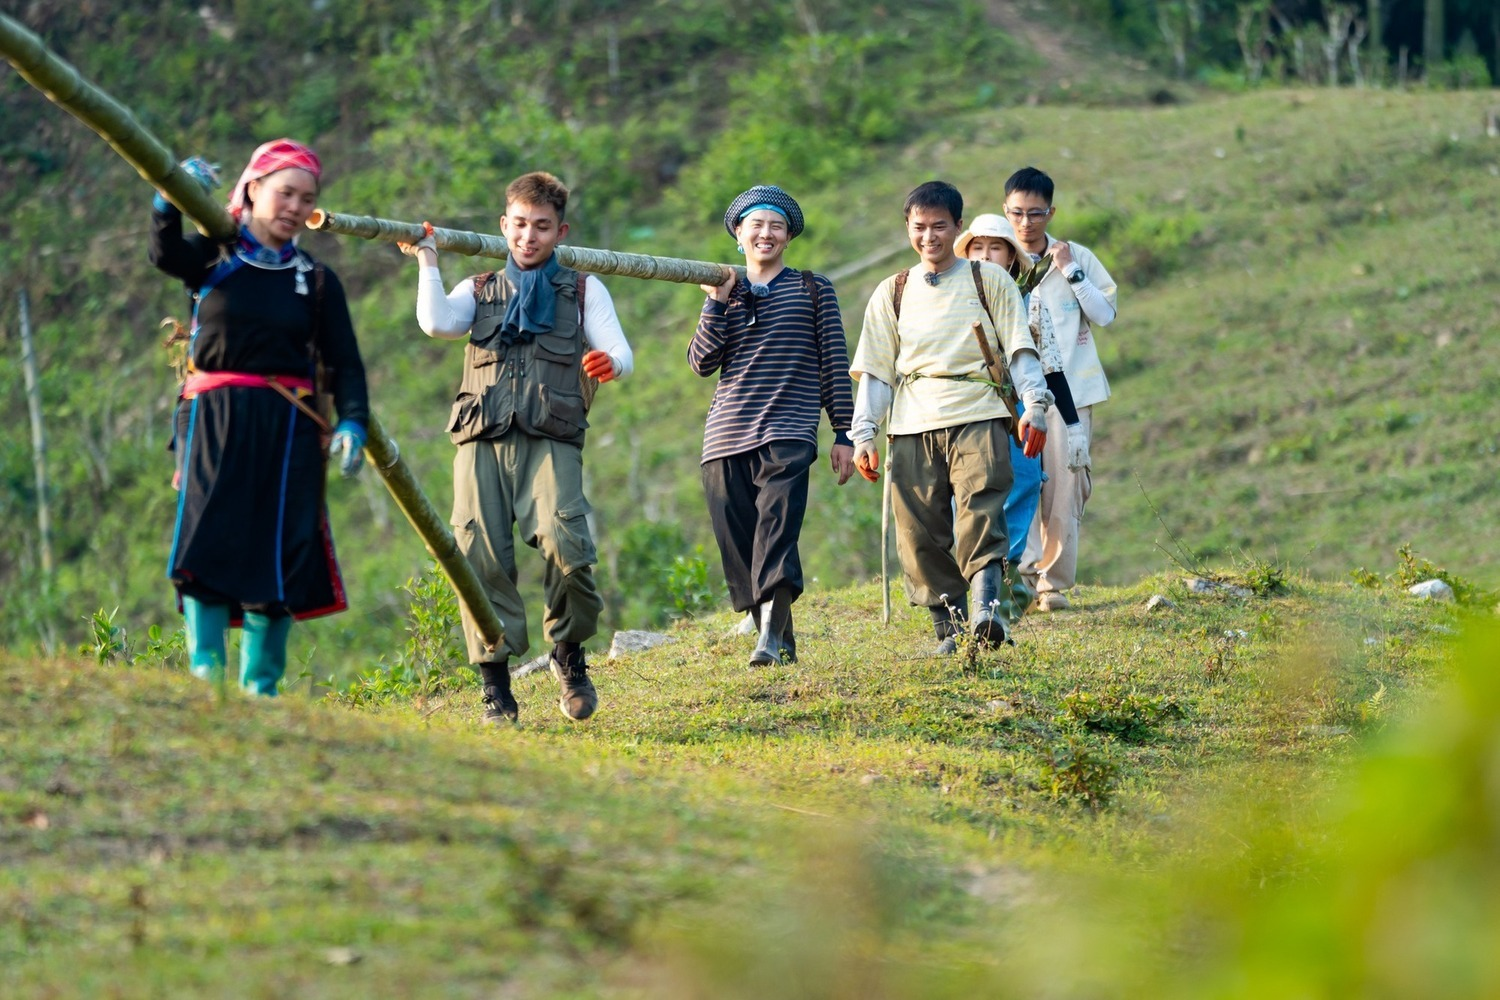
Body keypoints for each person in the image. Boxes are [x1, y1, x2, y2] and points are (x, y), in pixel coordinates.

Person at [399, 171, 633, 725]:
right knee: (478, 558)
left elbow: (621, 351)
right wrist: (427, 259)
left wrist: (610, 364)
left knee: (568, 547)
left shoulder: (583, 291)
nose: (529, 237)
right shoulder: (479, 289)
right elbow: (437, 322)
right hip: (480, 441)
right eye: (521, 225)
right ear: (504, 225)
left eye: (542, 227)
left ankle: (568, 655)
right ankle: (496, 687)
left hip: (551, 442)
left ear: (560, 232)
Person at [149, 139, 369, 696]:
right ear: (252, 189)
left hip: (290, 427)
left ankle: (261, 686)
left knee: (283, 544)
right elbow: (164, 254)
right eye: (284, 193)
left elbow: (345, 363)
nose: (295, 207)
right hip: (213, 417)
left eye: (306, 198)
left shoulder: (316, 280)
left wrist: (352, 422)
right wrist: (167, 198)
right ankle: (206, 676)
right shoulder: (213, 256)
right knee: (208, 534)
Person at [849, 181, 1051, 655]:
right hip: (911, 423)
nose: (929, 237)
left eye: (939, 226)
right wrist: (863, 434)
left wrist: (1035, 406)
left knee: (981, 510)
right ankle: (951, 629)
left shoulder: (989, 279)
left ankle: (986, 612)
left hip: (978, 412)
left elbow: (1019, 348)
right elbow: (876, 372)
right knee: (918, 531)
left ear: (958, 227)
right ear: (907, 228)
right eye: (919, 227)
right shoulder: (892, 291)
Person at [690, 184, 856, 667]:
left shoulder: (812, 288)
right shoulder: (724, 290)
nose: (766, 234)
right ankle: (780, 640)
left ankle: (766, 639)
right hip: (725, 435)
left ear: (788, 236)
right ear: (738, 233)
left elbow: (833, 361)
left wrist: (844, 432)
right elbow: (701, 363)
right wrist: (716, 303)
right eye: (757, 225)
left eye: (776, 226)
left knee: (777, 528)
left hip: (789, 428)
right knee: (738, 539)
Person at [955, 213, 1088, 621]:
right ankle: (968, 588)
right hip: (966, 413)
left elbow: (1050, 365)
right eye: (978, 248)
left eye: (995, 247)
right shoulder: (952, 299)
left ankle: (1004, 590)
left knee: (1025, 483)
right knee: (969, 496)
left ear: (1012, 256)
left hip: (1019, 412)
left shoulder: (1029, 301)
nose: (986, 256)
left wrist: (1072, 426)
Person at [1002, 167, 1118, 612]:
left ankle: (1053, 584)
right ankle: (1020, 579)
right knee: (1020, 483)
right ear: (1005, 210)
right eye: (1017, 213)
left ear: (1051, 212)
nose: (1026, 223)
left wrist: (1070, 270)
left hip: (1072, 394)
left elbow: (1105, 314)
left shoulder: (1075, 256)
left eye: (1035, 213)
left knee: (1067, 485)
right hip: (1013, 395)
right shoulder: (998, 261)